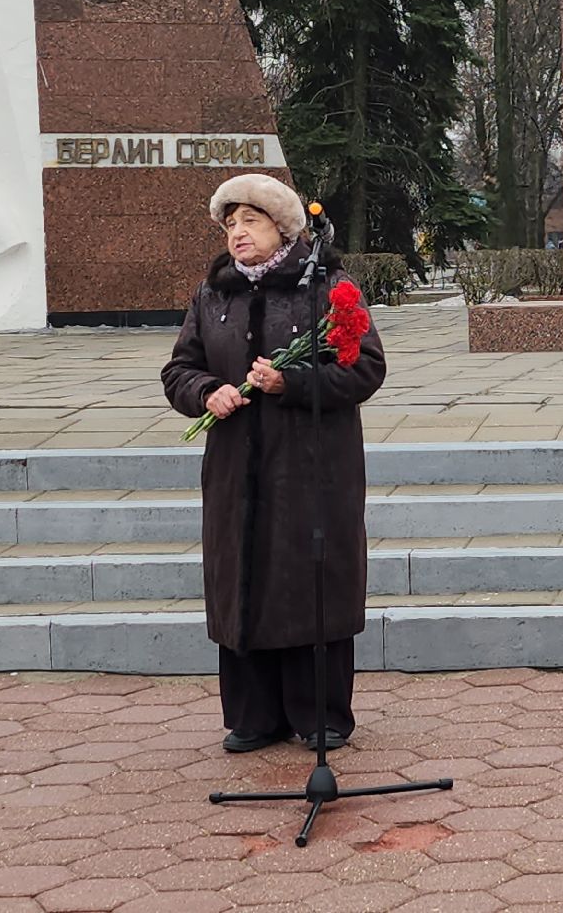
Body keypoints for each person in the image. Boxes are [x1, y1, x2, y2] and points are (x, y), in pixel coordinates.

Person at [161, 174, 386, 754]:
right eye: (230, 224)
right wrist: (206, 391)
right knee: (247, 580)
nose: (237, 233)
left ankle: (320, 715)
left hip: (312, 470)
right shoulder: (213, 294)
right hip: (237, 472)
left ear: (282, 227)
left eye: (250, 222)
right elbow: (178, 369)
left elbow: (364, 371)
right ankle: (255, 716)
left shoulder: (329, 288)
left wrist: (292, 381)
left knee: (309, 581)